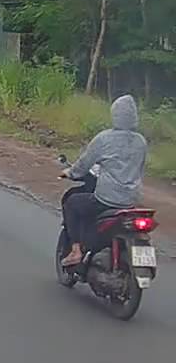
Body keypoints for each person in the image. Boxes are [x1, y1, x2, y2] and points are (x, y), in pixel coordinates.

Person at [59, 95, 147, 266]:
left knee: (72, 202)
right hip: (131, 201)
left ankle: (76, 251)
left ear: (115, 115)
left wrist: (70, 173)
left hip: (106, 199)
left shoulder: (104, 139)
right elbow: (140, 169)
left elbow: (83, 165)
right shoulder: (141, 141)